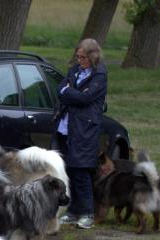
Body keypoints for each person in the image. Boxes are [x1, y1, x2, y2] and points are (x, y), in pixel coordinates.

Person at [54, 38, 107, 229]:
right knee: (68, 170)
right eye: (78, 56)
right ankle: (72, 210)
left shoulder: (99, 75)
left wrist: (70, 92)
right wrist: (71, 92)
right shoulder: (74, 71)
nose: (80, 60)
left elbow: (86, 98)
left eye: (83, 57)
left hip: (85, 129)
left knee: (81, 170)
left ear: (93, 56)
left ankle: (87, 213)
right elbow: (59, 89)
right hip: (66, 127)